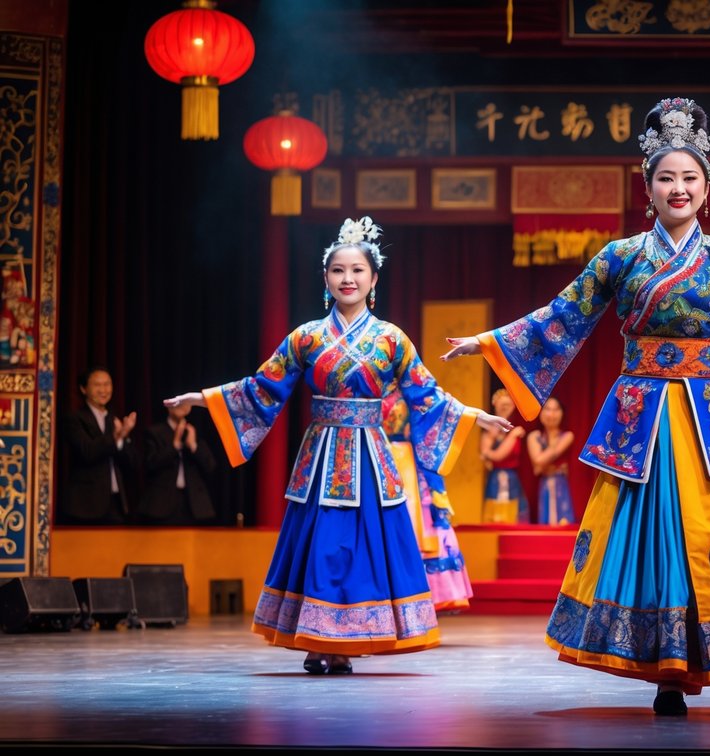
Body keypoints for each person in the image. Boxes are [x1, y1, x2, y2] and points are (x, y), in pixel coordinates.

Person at [441, 97, 710, 716]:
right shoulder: (619, 257)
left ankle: (706, 649)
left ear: (707, 188)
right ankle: (661, 665)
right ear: (647, 188)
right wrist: (491, 342)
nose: (678, 188)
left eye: (689, 177)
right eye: (666, 177)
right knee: (645, 537)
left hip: (707, 418)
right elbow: (562, 315)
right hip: (639, 418)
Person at [164, 216, 509, 675]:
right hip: (321, 458)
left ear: (374, 278)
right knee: (320, 545)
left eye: (357, 270)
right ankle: (317, 638)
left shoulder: (391, 339)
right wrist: (204, 399)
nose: (348, 278)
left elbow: (425, 393)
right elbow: (262, 387)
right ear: (325, 278)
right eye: (338, 270)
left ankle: (348, 642)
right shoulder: (306, 337)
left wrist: (474, 415)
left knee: (366, 549)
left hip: (371, 458)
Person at [383, 386, 474, 613]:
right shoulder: (370, 386)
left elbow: (437, 412)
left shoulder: (414, 389)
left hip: (409, 462)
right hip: (378, 454)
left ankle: (429, 593)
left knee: (419, 518)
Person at [60, 366, 138, 525]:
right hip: (85, 504)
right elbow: (87, 452)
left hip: (116, 502)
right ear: (83, 389)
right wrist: (116, 436)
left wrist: (122, 438)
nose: (103, 390)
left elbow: (132, 463)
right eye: (97, 385)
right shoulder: (75, 418)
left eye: (107, 384)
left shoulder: (113, 419)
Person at [136, 399, 218, 525]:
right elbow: (149, 464)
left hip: (193, 505)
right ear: (169, 406)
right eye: (178, 402)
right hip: (161, 504)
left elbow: (210, 466)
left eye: (185, 402)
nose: (182, 405)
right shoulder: (155, 432)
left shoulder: (193, 432)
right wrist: (174, 445)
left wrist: (193, 446)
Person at [480, 388, 529, 524]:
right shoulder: (489, 432)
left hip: (512, 478)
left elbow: (494, 455)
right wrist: (489, 449)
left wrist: (511, 436)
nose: (505, 408)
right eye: (502, 405)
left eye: (508, 405)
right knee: (494, 517)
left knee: (514, 516)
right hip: (495, 478)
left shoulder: (516, 431)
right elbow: (487, 454)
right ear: (495, 405)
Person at [527, 396, 576, 526]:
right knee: (545, 524)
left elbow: (541, 461)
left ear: (562, 413)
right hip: (544, 485)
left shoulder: (567, 436)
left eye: (556, 410)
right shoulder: (534, 436)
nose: (551, 414)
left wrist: (543, 462)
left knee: (564, 523)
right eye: (547, 409)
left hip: (562, 485)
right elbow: (538, 463)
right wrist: (544, 462)